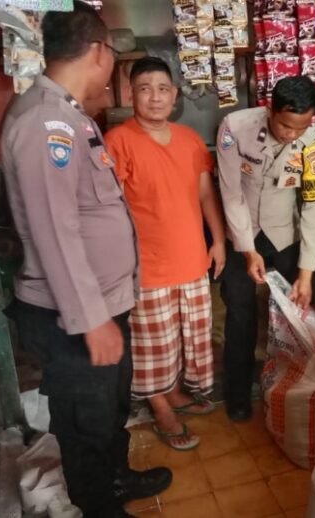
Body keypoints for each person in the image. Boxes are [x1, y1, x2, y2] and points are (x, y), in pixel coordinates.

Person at [1, 4, 171, 517]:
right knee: (86, 419)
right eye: (114, 55)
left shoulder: (69, 116)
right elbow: (55, 230)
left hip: (100, 303)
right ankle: (99, 506)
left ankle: (116, 479)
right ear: (99, 52)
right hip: (73, 315)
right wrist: (91, 318)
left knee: (110, 406)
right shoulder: (45, 121)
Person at [105, 57, 226, 451]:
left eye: (162, 89)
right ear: (131, 95)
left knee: (187, 338)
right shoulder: (118, 141)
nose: (154, 97)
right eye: (145, 89)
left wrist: (218, 240)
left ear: (175, 95)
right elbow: (109, 208)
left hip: (192, 259)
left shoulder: (190, 139)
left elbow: (205, 193)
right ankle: (160, 407)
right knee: (153, 345)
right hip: (147, 266)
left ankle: (173, 391)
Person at [216, 76, 315, 422]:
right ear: (270, 110)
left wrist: (306, 274)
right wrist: (246, 249)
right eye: (285, 125)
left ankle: (285, 389)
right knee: (240, 314)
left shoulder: (313, 146)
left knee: (289, 316)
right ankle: (238, 394)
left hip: (284, 234)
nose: (292, 134)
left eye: (301, 127)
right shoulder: (235, 128)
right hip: (242, 233)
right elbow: (231, 194)